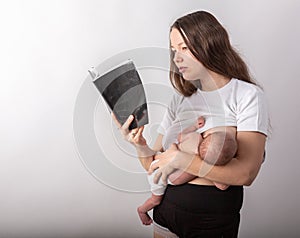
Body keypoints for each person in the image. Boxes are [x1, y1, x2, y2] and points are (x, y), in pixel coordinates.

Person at [112, 10, 269, 238]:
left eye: (184, 48)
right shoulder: (181, 98)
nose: (176, 58)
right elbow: (154, 167)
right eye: (174, 50)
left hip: (212, 220)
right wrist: (139, 144)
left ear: (210, 44)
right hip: (166, 211)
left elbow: (246, 174)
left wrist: (182, 159)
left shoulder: (246, 95)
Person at [137, 116, 237, 225]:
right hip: (160, 177)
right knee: (155, 200)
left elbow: (180, 136)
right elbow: (222, 186)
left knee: (156, 200)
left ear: (208, 135)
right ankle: (142, 210)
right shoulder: (206, 166)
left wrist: (194, 126)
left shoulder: (195, 137)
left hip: (159, 163)